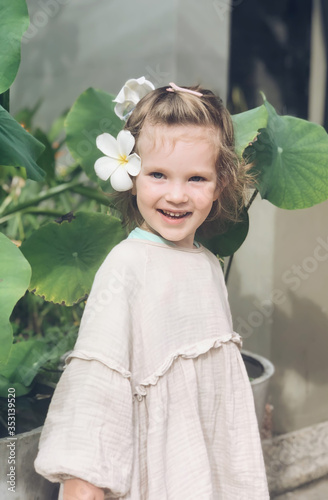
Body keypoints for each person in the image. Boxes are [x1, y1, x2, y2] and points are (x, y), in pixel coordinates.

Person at [34, 79, 269, 499]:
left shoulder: (208, 266)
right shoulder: (127, 267)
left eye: (196, 178)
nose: (176, 195)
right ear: (133, 176)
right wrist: (83, 486)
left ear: (221, 185)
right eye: (158, 174)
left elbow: (218, 398)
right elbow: (97, 389)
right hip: (156, 475)